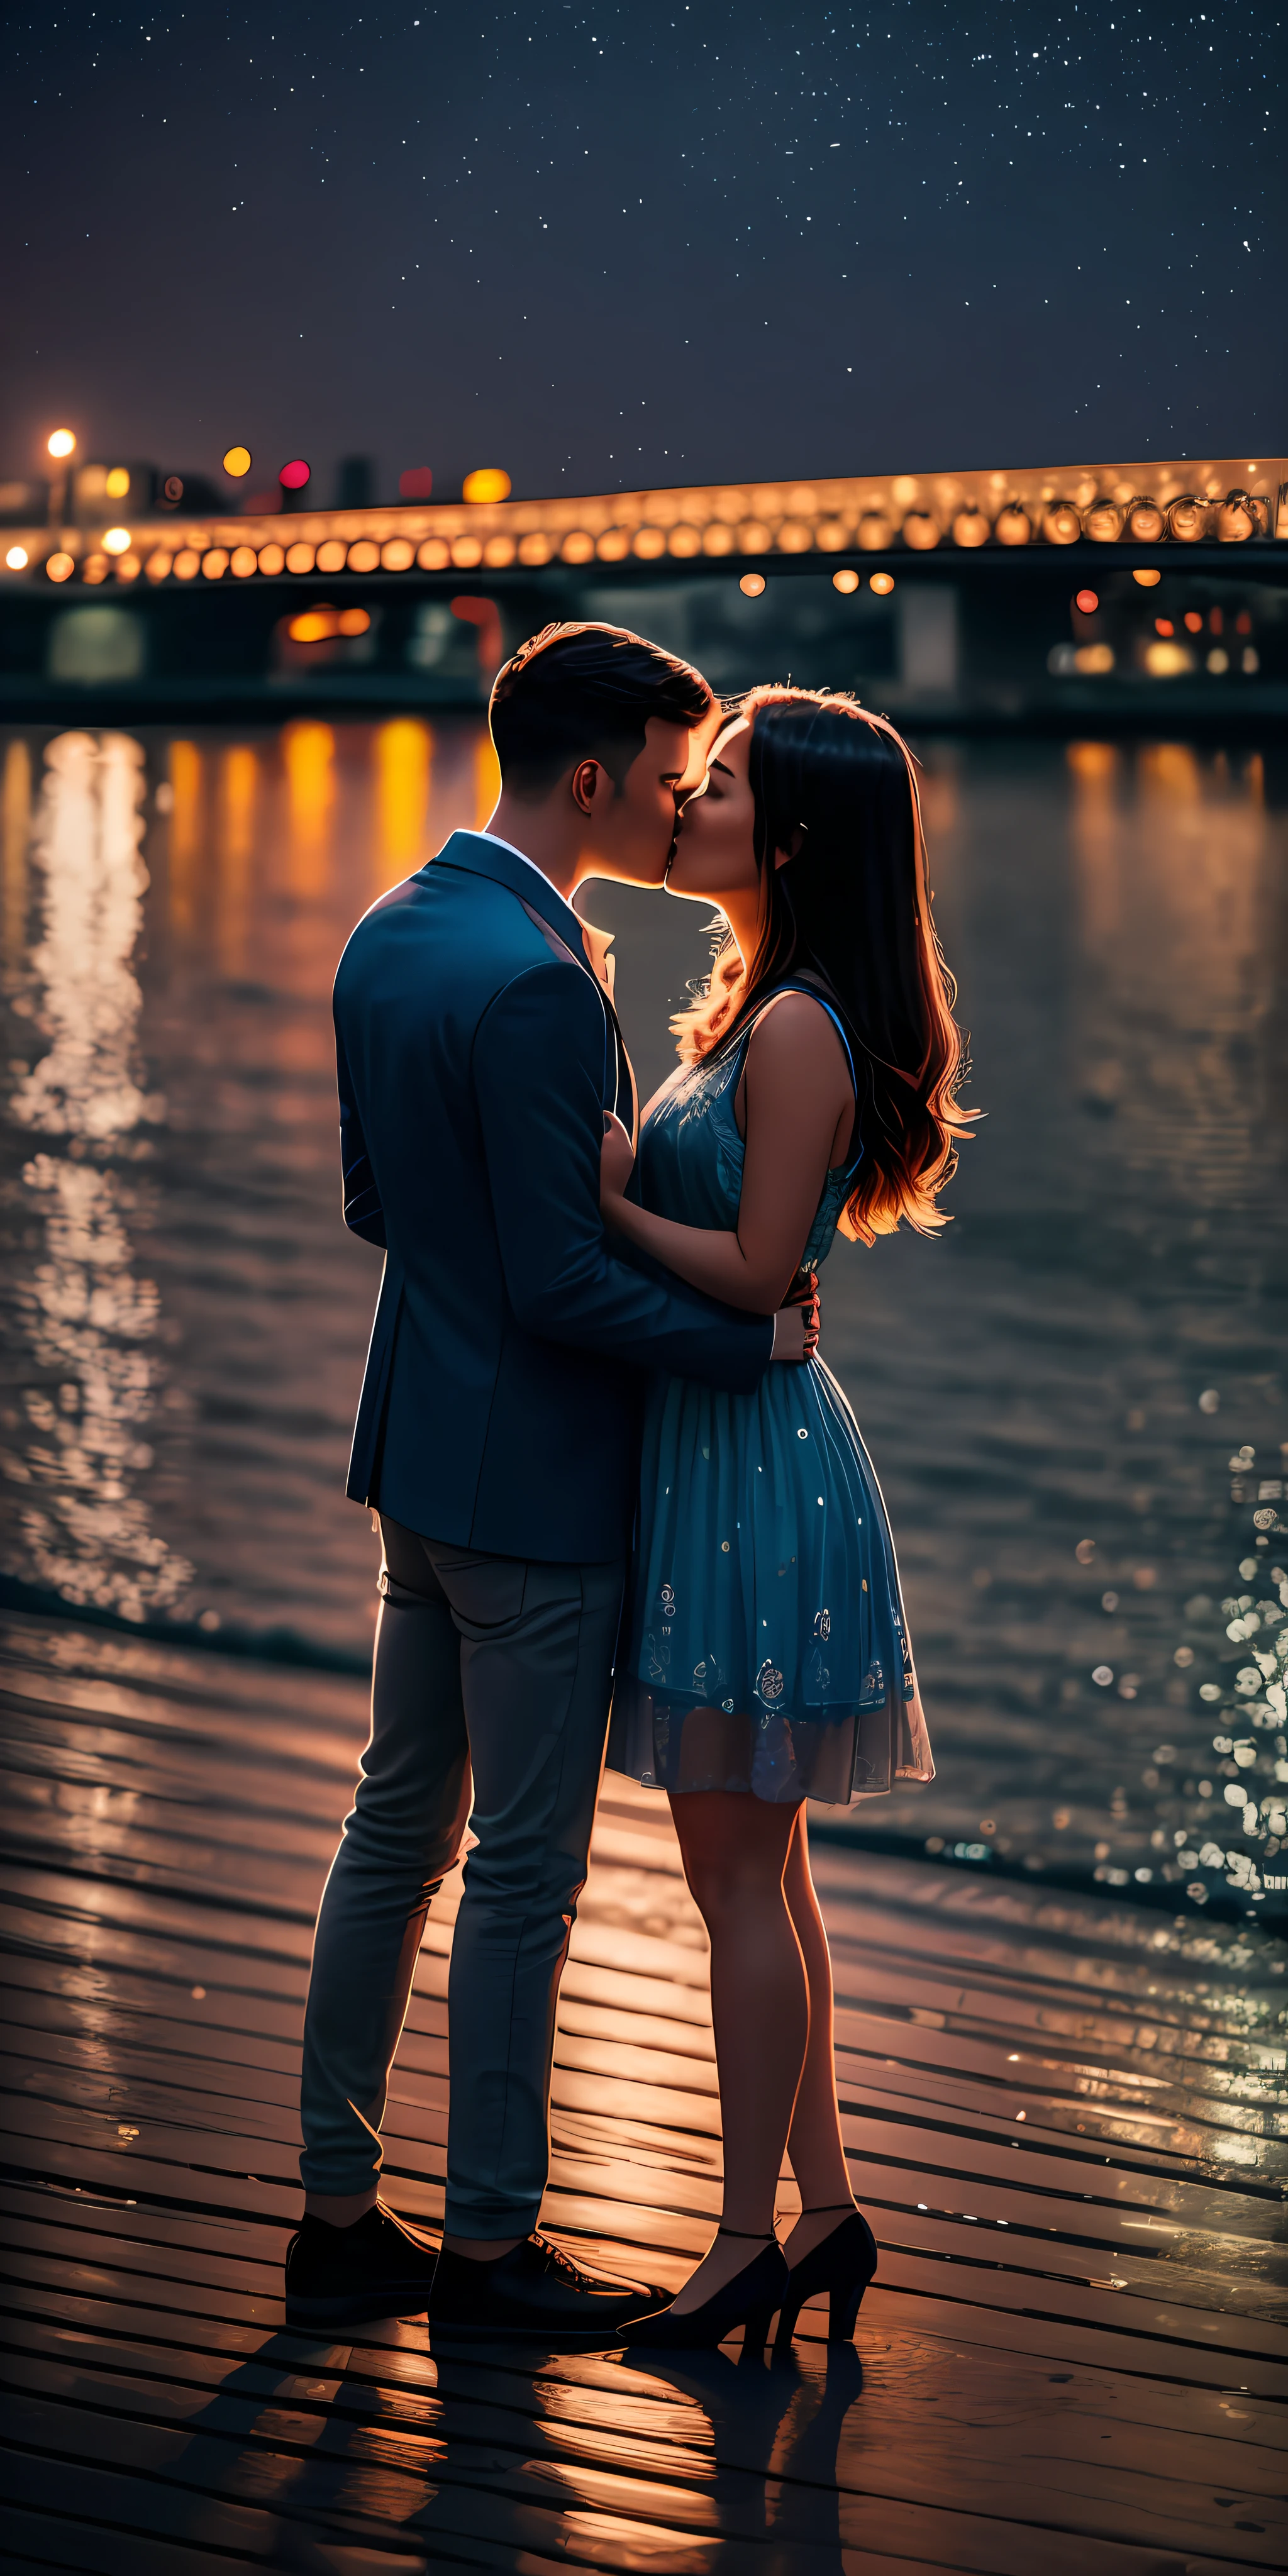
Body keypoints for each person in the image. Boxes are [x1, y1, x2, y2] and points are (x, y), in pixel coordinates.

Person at [286, 625, 813, 2341]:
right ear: (590, 779)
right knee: (521, 1868)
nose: (678, 811)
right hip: (530, 1488)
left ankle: (339, 2211)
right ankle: (493, 2250)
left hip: (416, 1458)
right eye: (670, 781)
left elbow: (383, 1207)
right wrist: (755, 1347)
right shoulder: (535, 976)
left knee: (391, 1827)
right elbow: (559, 1283)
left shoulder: (393, 930)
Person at [599, 687, 974, 2350]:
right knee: (772, 1869)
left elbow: (759, 1277)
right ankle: (822, 2213)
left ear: (797, 834)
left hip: (753, 1468)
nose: (690, 803)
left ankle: (742, 2239)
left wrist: (603, 1202)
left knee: (737, 1881)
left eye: (726, 784)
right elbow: (765, 1275)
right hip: (731, 1449)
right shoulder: (763, 1005)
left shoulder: (804, 1024)